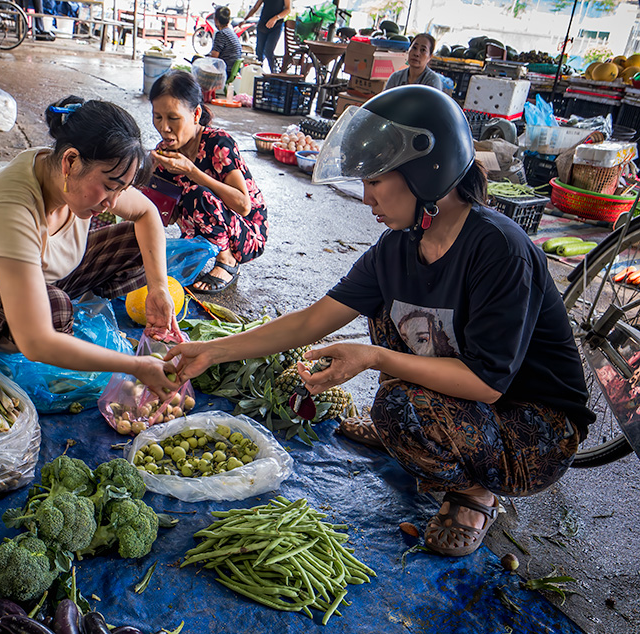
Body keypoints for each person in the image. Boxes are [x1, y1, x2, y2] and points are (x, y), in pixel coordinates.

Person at [165, 85, 594, 557]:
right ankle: (427, 433)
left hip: (533, 428)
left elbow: (487, 382)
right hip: (471, 400)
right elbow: (312, 321)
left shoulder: (499, 250)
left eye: (376, 181)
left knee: (398, 406)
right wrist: (213, 351)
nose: (366, 197)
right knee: (392, 332)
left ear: (426, 172)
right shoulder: (398, 247)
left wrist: (371, 357)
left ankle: (475, 493)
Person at [0, 96, 180, 400]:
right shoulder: (11, 210)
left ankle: (64, 323)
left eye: (122, 190)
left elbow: (147, 213)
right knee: (54, 311)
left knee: (137, 243)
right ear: (70, 161)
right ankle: (14, 343)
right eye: (110, 186)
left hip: (42, 273)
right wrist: (135, 366)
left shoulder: (66, 177)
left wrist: (158, 289)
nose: (113, 203)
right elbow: (37, 341)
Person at [149, 70, 267, 294]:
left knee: (197, 193)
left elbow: (243, 205)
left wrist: (192, 171)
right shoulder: (164, 152)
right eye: (158, 117)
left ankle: (228, 261)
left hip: (246, 232)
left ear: (195, 115)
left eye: (173, 118)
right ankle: (201, 252)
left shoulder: (218, 143)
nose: (164, 127)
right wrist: (148, 178)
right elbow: (170, 216)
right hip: (199, 230)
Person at [244, 0, 290, 74]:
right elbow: (255, 7)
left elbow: (288, 9)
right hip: (263, 23)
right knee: (259, 51)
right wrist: (245, 20)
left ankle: (274, 75)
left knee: (269, 50)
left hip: (276, 25)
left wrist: (276, 18)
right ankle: (258, 75)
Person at [210, 6, 243, 83]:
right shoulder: (231, 33)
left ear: (216, 20)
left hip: (224, 71)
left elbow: (214, 57)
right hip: (231, 70)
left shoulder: (221, 34)